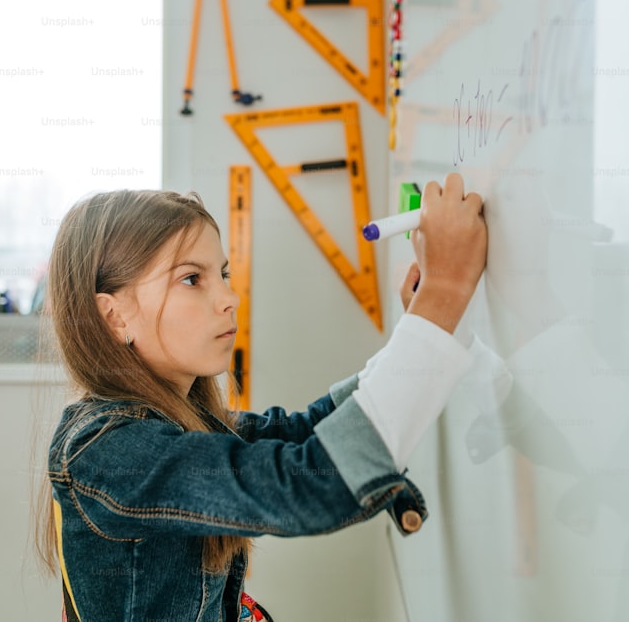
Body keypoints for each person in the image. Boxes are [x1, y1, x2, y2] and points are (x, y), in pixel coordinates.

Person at [35, 173, 487, 621]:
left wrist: (423, 328)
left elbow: (302, 434)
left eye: (223, 274)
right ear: (114, 316)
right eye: (192, 279)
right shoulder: (108, 449)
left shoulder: (180, 421)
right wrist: (441, 296)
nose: (230, 297)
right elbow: (309, 484)